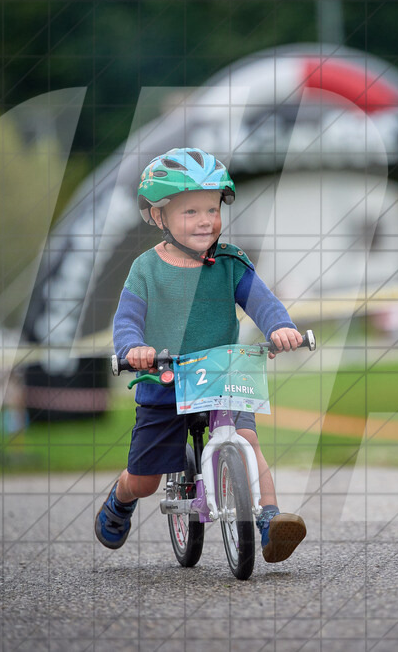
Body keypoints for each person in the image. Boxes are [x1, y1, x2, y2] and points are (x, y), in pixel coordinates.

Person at [95, 147, 308, 563]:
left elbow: (261, 302)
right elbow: (127, 320)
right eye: (190, 212)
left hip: (223, 374)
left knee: (246, 438)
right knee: (145, 481)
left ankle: (268, 520)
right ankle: (121, 499)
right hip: (165, 382)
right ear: (159, 217)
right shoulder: (146, 270)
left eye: (212, 209)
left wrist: (280, 327)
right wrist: (132, 349)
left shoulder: (230, 263)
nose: (206, 220)